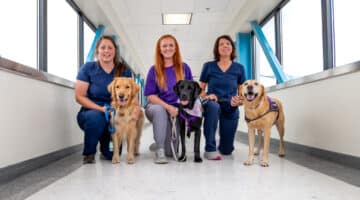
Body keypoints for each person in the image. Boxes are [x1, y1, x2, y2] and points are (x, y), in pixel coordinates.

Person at [75, 35, 133, 164]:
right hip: (91, 111)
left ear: (115, 51)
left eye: (110, 48)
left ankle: (105, 144)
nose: (106, 51)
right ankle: (89, 153)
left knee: (111, 154)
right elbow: (79, 96)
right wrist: (101, 109)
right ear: (97, 51)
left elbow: (130, 94)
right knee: (96, 118)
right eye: (103, 48)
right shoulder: (88, 68)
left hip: (116, 114)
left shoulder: (124, 70)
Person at [144, 34, 193, 164]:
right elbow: (150, 96)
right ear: (159, 49)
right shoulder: (154, 70)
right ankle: (159, 148)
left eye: (171, 45)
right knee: (160, 110)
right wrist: (169, 107)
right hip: (157, 108)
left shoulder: (184, 68)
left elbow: (191, 92)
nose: (168, 48)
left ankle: (161, 143)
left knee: (171, 153)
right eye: (164, 46)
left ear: (176, 48)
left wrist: (182, 110)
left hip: (176, 111)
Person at [199, 35, 245, 160]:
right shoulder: (208, 66)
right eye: (221, 44)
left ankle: (223, 144)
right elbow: (200, 89)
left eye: (228, 43)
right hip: (213, 103)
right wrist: (208, 95)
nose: (225, 46)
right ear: (217, 49)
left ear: (232, 48)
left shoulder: (239, 68)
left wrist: (239, 101)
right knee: (212, 107)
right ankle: (210, 148)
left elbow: (243, 92)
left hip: (231, 105)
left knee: (226, 151)